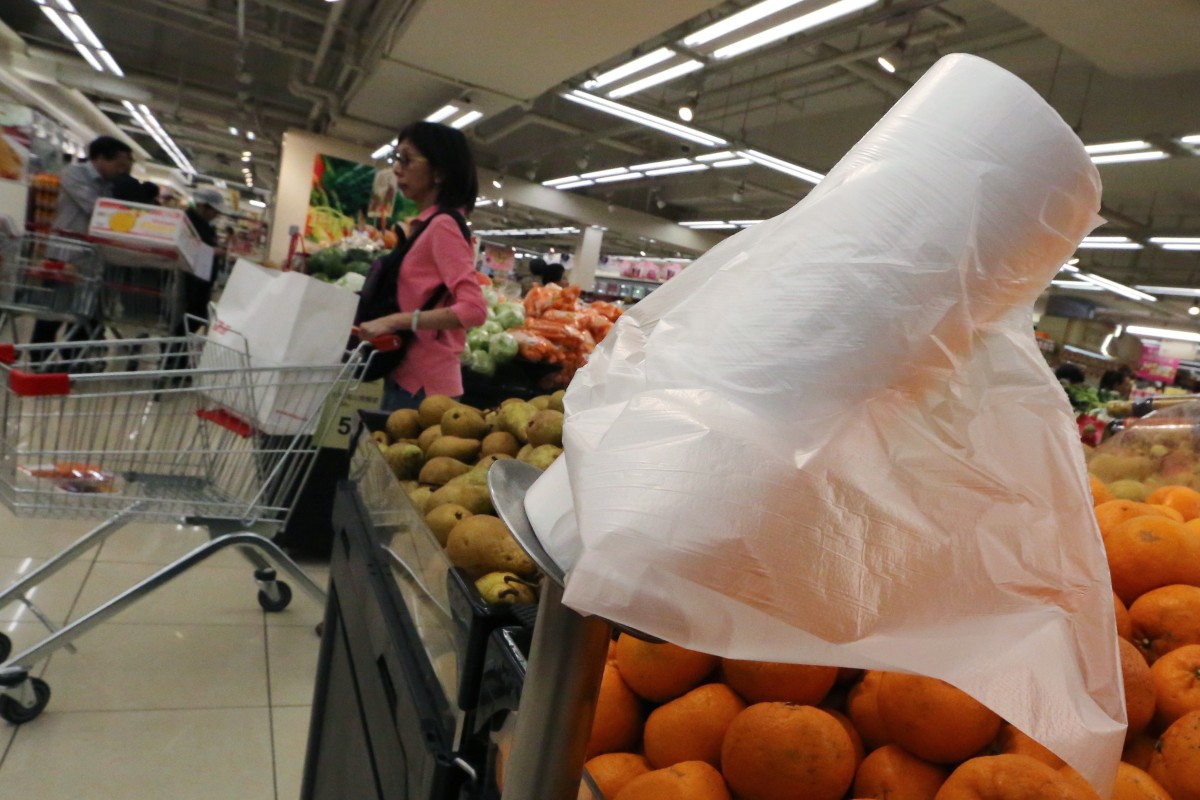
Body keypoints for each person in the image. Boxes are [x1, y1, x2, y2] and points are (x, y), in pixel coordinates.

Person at [356, 121, 487, 410]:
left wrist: (395, 321)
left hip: (425, 388)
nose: (397, 169)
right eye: (396, 158)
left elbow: (474, 309)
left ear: (439, 172)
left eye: (406, 159)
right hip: (407, 376)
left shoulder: (443, 226)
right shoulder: (427, 225)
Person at [30, 136, 133, 354]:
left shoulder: (108, 184)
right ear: (101, 158)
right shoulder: (74, 174)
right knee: (52, 313)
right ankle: (39, 358)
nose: (121, 171)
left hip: (89, 260)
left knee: (81, 315)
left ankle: (69, 361)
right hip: (64, 255)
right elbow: (98, 211)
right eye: (118, 165)